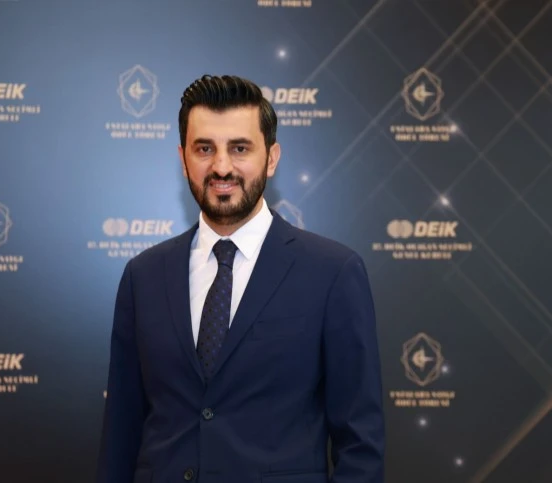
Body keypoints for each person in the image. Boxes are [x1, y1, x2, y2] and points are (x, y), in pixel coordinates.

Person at [96, 74, 385, 483]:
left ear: (272, 157)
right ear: (183, 159)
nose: (221, 167)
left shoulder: (333, 273)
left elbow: (360, 446)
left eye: (240, 148)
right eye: (204, 149)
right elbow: (121, 435)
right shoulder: (142, 276)